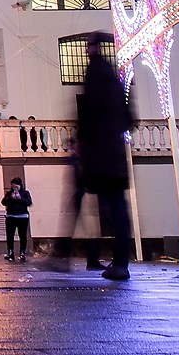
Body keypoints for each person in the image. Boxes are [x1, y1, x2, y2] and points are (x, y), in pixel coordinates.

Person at [65, 40, 137, 280]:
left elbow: (86, 116)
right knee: (118, 207)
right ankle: (121, 261)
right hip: (115, 154)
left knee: (84, 199)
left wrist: (83, 142)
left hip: (98, 155)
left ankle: (63, 252)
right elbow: (130, 120)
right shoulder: (115, 82)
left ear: (91, 49)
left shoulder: (93, 78)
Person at [2, 176, 33, 262]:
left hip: (22, 217)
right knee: (10, 236)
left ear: (20, 185)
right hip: (11, 217)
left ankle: (22, 253)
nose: (14, 188)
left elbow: (29, 202)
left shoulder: (25, 193)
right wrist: (10, 198)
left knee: (22, 235)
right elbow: (3, 202)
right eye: (13, 186)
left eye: (16, 186)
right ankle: (10, 252)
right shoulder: (9, 193)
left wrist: (20, 199)